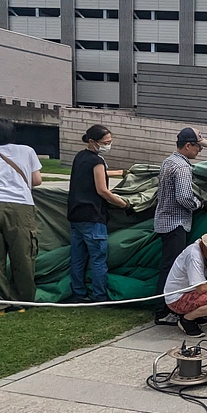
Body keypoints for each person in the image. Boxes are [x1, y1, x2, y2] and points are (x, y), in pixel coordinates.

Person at [0, 117, 43, 315]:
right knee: (23, 253)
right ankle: (22, 302)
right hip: (21, 206)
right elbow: (36, 181)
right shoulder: (27, 151)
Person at [154, 127, 207, 325]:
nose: (199, 151)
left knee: (169, 267)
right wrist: (200, 204)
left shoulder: (169, 162)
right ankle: (163, 312)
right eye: (198, 147)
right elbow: (184, 197)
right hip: (175, 223)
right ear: (188, 145)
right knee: (171, 269)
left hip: (165, 221)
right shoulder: (182, 167)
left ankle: (170, 309)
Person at [67, 125, 129, 303]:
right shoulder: (97, 161)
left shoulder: (80, 157)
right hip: (93, 217)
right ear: (93, 142)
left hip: (75, 215)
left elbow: (91, 175)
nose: (108, 145)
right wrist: (124, 204)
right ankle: (100, 296)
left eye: (110, 142)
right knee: (98, 259)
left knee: (78, 258)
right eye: (105, 143)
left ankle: (78, 293)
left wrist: (118, 172)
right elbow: (102, 190)